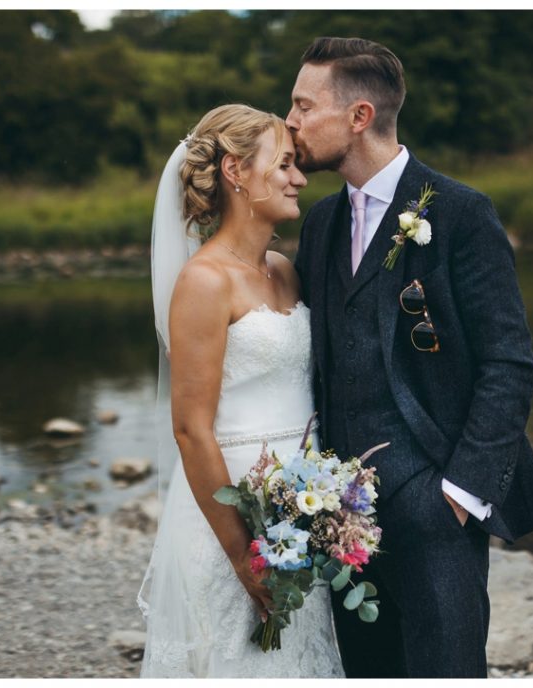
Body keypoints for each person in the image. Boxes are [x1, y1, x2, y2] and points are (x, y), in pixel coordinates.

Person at [287, 37, 533, 678]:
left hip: (437, 505)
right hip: (342, 519)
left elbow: (510, 364)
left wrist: (460, 494)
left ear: (359, 116)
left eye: (303, 106)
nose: (291, 122)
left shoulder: (462, 213)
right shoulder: (321, 222)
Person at [136, 103, 344, 678]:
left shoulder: (284, 268)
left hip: (304, 507)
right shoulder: (204, 281)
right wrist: (244, 556)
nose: (299, 178)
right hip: (234, 512)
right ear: (235, 172)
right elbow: (190, 428)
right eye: (283, 165)